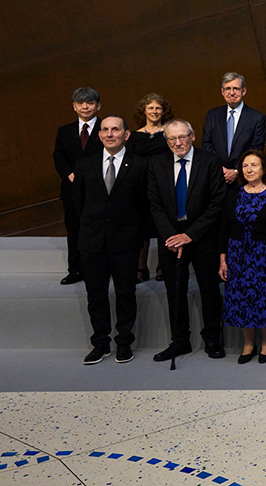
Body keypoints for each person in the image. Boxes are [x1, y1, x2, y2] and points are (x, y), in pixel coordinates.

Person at [148, 119, 227, 363]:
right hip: (170, 237)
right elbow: (155, 204)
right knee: (175, 291)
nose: (177, 142)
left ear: (192, 136)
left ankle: (212, 339)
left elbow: (217, 203)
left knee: (209, 290)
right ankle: (179, 341)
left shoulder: (210, 162)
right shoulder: (157, 164)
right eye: (172, 139)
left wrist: (190, 235)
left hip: (202, 236)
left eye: (182, 137)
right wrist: (174, 237)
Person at [73, 115, 148, 365]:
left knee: (126, 293)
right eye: (104, 130)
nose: (109, 134)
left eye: (115, 129)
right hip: (92, 241)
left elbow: (143, 205)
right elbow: (78, 202)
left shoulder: (139, 165)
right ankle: (100, 344)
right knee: (96, 295)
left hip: (125, 241)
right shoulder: (86, 163)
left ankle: (124, 343)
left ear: (126, 134)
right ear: (99, 135)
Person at [218, 150, 266, 365]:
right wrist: (223, 259)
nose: (249, 170)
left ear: (263, 169)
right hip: (238, 255)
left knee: (265, 298)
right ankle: (249, 344)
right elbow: (224, 228)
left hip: (265, 254)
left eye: (254, 165)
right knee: (242, 298)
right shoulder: (233, 194)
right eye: (245, 166)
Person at [53, 87, 103, 285]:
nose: (85, 106)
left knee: (99, 230)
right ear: (74, 106)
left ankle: (100, 269)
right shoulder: (64, 131)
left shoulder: (106, 128)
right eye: (80, 103)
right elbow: (58, 155)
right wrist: (70, 174)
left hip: (99, 188)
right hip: (71, 189)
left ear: (98, 106)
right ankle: (75, 270)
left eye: (90, 103)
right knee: (74, 230)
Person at [128, 92, 174, 283]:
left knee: (164, 225)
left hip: (165, 185)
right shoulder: (134, 137)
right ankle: (141, 268)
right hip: (142, 187)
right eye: (151, 108)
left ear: (163, 111)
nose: (154, 111)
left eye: (158, 108)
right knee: (142, 227)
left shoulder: (170, 133)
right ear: (144, 111)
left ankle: (163, 266)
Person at [202, 72, 266, 185]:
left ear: (244, 91)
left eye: (236, 89)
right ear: (222, 92)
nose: (231, 93)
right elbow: (206, 144)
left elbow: (256, 149)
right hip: (218, 178)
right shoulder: (212, 115)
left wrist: (236, 171)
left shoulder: (257, 118)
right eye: (227, 89)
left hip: (245, 179)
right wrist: (220, 169)